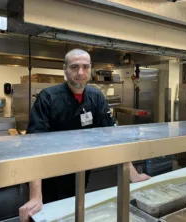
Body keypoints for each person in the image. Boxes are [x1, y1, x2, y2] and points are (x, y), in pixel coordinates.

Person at [19, 49, 151, 222]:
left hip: (80, 175)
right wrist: (36, 196)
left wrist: (132, 175)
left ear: (90, 70)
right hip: (48, 179)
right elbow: (34, 147)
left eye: (85, 67)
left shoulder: (96, 97)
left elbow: (112, 137)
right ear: (65, 69)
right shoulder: (48, 98)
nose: (80, 73)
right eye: (74, 67)